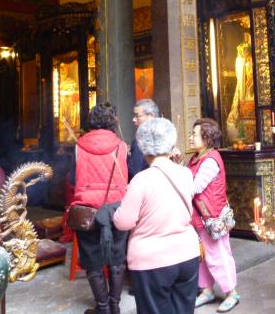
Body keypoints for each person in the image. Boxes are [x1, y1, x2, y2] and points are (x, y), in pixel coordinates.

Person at [113, 117, 200, 314]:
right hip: (187, 254)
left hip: (151, 260)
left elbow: (123, 222)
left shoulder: (141, 180)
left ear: (143, 148)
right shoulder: (185, 174)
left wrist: (116, 210)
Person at [71, 102, 129, 314]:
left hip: (88, 209)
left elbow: (73, 177)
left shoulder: (78, 146)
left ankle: (103, 308)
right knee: (117, 258)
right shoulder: (121, 146)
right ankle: (115, 306)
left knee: (92, 259)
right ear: (113, 121)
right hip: (116, 208)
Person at [188, 118, 240, 313]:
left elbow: (195, 186)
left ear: (207, 138)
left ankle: (231, 293)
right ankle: (207, 290)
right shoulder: (197, 157)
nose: (191, 137)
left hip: (211, 216)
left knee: (218, 255)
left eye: (194, 134)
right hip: (201, 216)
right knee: (202, 255)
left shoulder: (210, 160)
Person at [128, 99, 160, 179]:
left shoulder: (141, 142)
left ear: (151, 116)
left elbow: (134, 172)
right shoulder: (165, 137)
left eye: (137, 116)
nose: (133, 120)